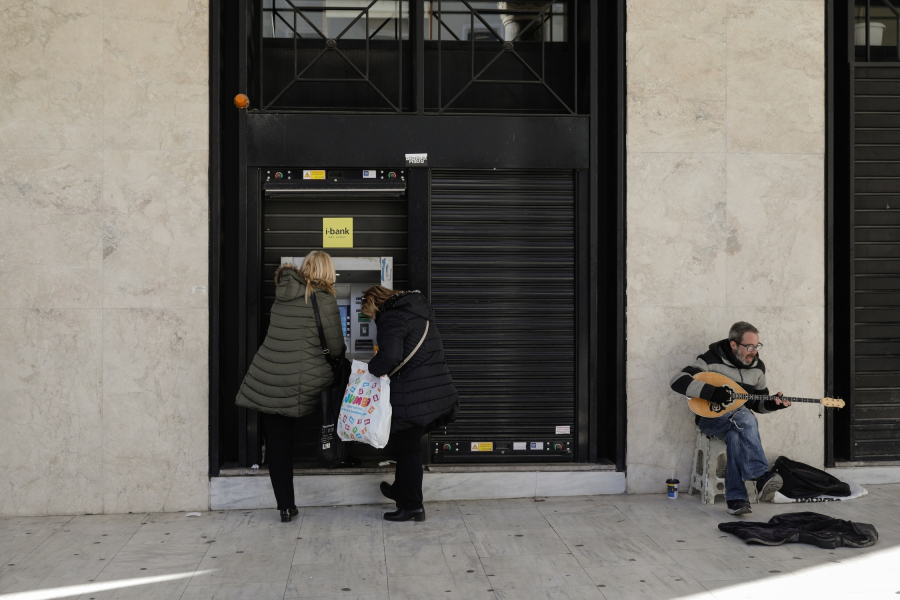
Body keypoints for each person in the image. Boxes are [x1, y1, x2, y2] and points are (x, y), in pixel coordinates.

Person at [235, 251, 345, 522]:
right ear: (328, 272)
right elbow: (336, 348)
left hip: (268, 379)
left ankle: (285, 507)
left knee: (278, 444)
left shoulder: (282, 295)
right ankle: (338, 457)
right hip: (304, 381)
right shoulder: (325, 299)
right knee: (334, 412)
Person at [670, 321, 791, 516]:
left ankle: (736, 499)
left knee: (736, 435)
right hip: (710, 420)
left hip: (739, 423)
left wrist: (773, 404)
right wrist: (712, 392)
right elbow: (677, 380)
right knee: (746, 417)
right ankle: (759, 474)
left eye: (757, 346)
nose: (754, 351)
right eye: (749, 346)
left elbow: (756, 403)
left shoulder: (758, 368)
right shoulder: (710, 360)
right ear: (734, 344)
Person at [361, 286, 459, 522]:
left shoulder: (390, 317)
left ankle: (413, 506)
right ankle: (400, 490)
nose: (372, 319)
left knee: (409, 449)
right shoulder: (415, 312)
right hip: (432, 391)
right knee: (407, 444)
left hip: (415, 396)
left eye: (370, 314)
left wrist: (370, 369)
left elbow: (390, 356)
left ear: (376, 305)